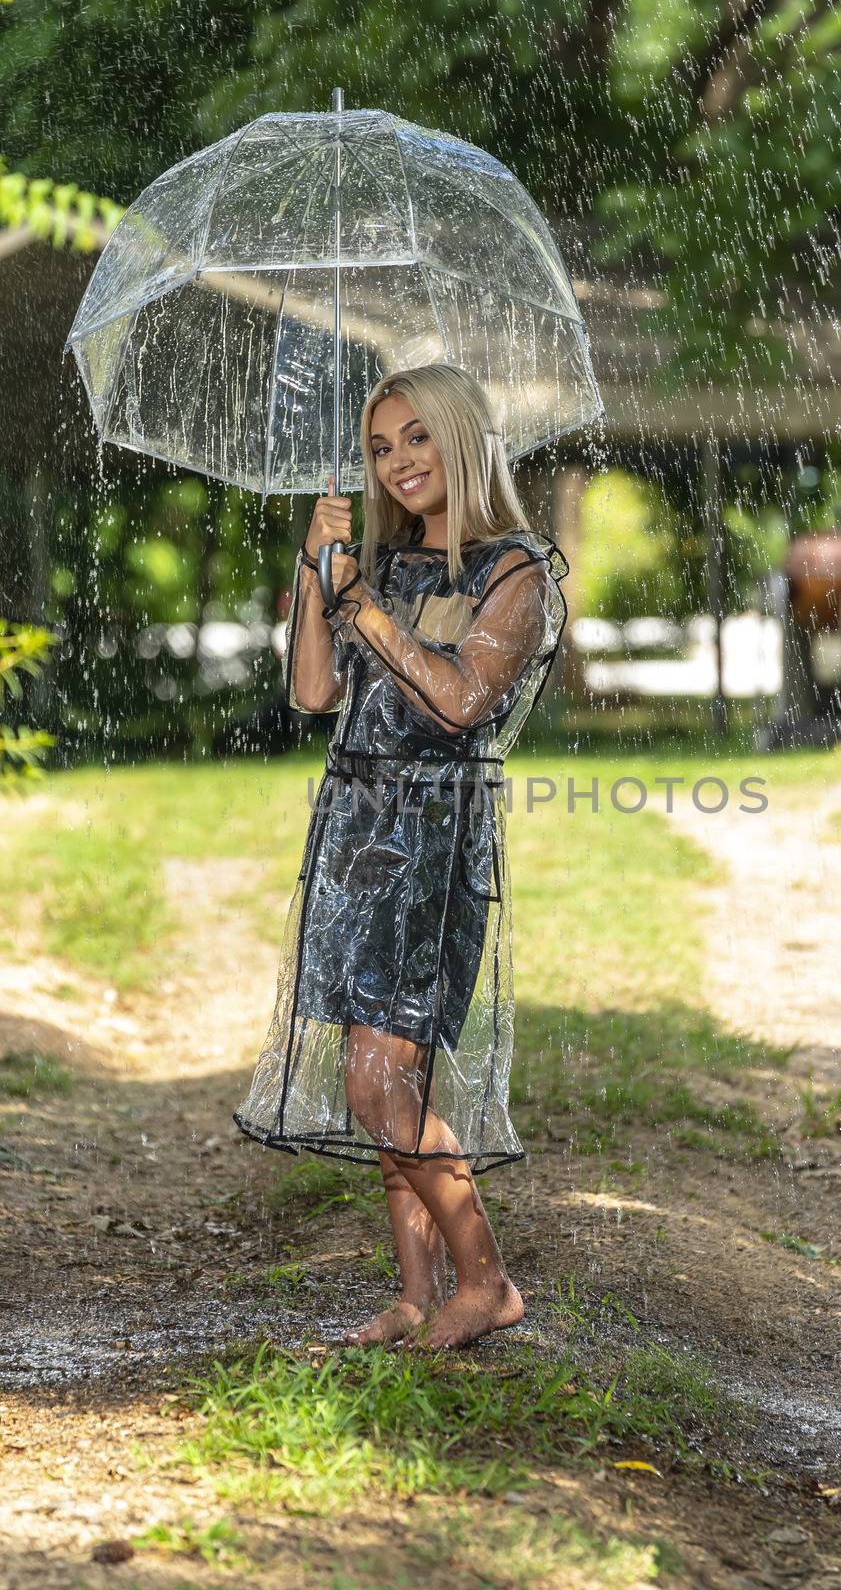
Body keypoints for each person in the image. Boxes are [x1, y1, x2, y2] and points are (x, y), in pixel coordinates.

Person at [233, 363, 570, 1351]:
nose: (398, 461)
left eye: (416, 437)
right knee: (374, 1079)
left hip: (431, 835)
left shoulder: (513, 572)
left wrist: (366, 609)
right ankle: (418, 1293)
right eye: (381, 447)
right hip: (352, 831)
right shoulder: (375, 567)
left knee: (390, 1079)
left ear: (460, 438)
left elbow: (459, 700)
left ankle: (488, 1281)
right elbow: (310, 689)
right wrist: (316, 568)